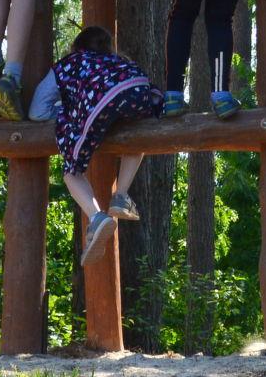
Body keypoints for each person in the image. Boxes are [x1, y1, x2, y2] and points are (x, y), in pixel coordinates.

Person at [28, 26, 164, 263]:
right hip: (138, 92)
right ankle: (120, 195)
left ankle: (97, 217)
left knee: (72, 171)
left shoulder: (69, 63)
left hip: (100, 100)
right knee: (138, 134)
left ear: (76, 47)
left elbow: (37, 111)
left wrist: (67, 111)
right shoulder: (119, 62)